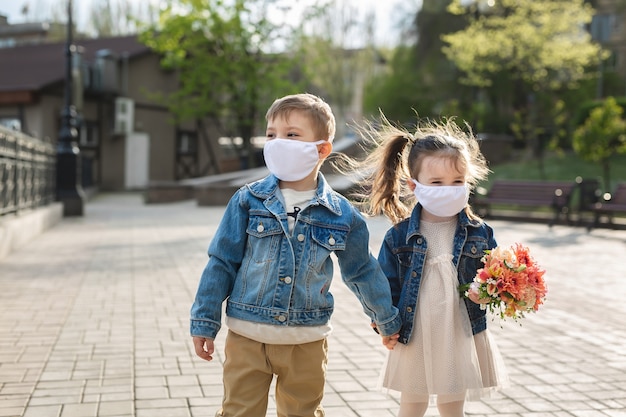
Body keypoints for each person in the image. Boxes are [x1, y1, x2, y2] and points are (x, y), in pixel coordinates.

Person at [190, 93, 402, 417]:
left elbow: (361, 271)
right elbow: (222, 261)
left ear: (321, 149)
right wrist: (204, 320)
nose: (277, 142)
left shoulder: (341, 214)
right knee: (239, 411)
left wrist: (385, 318)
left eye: (291, 134)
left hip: (307, 339)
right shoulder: (247, 201)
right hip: (248, 334)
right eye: (272, 134)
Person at [352, 114, 509, 417]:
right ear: (415, 185)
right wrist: (383, 325)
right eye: (437, 182)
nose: (448, 189)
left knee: (453, 406)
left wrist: (489, 291)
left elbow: (495, 274)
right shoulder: (399, 236)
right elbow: (384, 286)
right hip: (416, 329)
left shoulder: (479, 232)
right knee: (412, 405)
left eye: (457, 182)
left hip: (459, 328)